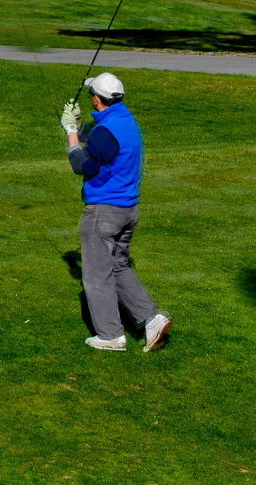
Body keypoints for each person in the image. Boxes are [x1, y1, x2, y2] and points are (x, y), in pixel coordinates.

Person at [59, 72, 173, 352]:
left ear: (97, 99)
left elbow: (83, 165)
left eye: (91, 98)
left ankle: (111, 335)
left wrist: (72, 134)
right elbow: (100, 141)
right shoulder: (126, 121)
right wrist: (80, 126)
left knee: (97, 274)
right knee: (119, 266)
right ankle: (151, 318)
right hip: (128, 211)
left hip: (103, 213)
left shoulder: (107, 132)